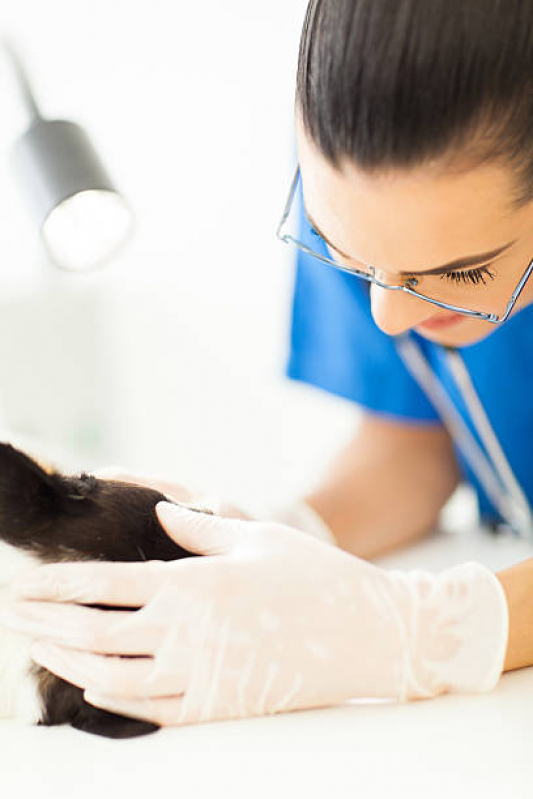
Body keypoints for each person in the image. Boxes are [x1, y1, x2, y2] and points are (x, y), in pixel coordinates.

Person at [1, 0, 532, 728]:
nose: (387, 313)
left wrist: (430, 629)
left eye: (461, 276)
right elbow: (421, 435)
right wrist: (275, 538)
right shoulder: (369, 175)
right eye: (345, 253)